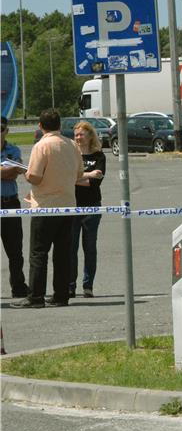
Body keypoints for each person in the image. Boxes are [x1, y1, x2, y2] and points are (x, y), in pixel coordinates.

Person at [12, 109, 83, 308]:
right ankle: (61, 295)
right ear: (59, 125)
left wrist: (23, 172)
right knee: (62, 252)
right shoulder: (71, 145)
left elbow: (35, 177)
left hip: (45, 206)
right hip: (68, 205)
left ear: (40, 126)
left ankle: (36, 297)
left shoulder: (41, 146)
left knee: (39, 252)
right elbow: (79, 174)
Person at [70, 121, 106, 298]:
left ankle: (88, 285)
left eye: (81, 134)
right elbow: (65, 177)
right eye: (76, 134)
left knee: (89, 247)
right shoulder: (70, 154)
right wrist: (88, 174)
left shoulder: (99, 156)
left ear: (90, 135)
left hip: (92, 206)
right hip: (71, 207)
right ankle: (70, 285)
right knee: (71, 248)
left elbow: (94, 182)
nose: (78, 137)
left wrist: (77, 177)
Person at [1, 117, 28, 298]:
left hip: (10, 202)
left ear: (6, 131)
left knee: (15, 250)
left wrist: (7, 171)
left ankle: (18, 286)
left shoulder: (13, 150)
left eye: (1, 129)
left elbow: (14, 174)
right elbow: (11, 171)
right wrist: (8, 170)